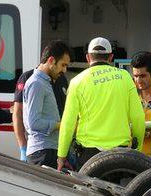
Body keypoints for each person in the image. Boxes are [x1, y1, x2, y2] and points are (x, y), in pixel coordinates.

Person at [57, 37, 145, 171]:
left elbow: (68, 122)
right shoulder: (125, 77)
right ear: (111, 57)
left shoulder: (77, 82)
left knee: (86, 191)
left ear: (87, 57)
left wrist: (61, 156)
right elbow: (138, 117)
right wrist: (137, 148)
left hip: (88, 153)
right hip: (119, 152)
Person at [13, 44, 69, 161]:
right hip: (42, 151)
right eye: (63, 65)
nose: (64, 70)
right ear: (51, 60)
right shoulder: (36, 83)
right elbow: (34, 123)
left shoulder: (45, 81)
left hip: (50, 149)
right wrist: (61, 125)